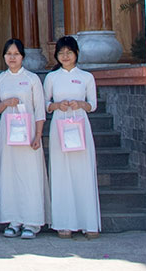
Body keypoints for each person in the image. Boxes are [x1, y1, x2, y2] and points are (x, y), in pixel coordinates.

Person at [0, 38, 49, 238]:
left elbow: (40, 110)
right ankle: (13, 220)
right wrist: (6, 102)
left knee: (30, 174)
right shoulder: (0, 79)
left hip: (28, 132)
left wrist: (38, 135)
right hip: (7, 133)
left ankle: (31, 222)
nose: (12, 57)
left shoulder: (32, 79)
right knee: (9, 174)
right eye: (9, 54)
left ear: (22, 56)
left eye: (16, 54)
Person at [44, 36, 100, 239]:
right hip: (60, 125)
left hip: (80, 125)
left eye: (69, 52)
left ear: (76, 53)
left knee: (82, 170)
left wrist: (81, 104)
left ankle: (88, 222)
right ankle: (64, 223)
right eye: (61, 53)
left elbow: (93, 104)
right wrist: (57, 106)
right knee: (61, 172)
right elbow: (45, 104)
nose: (65, 56)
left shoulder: (86, 77)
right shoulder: (52, 78)